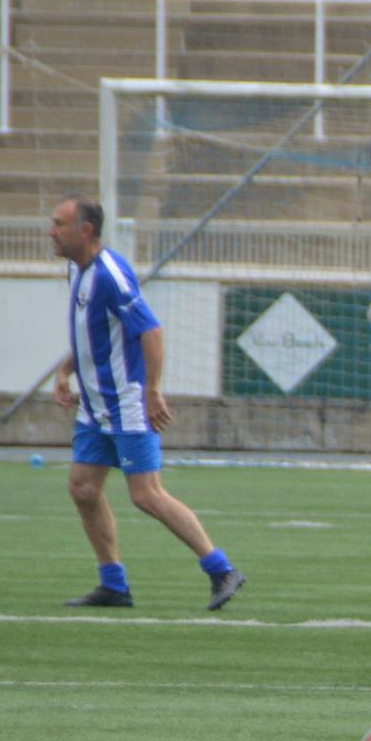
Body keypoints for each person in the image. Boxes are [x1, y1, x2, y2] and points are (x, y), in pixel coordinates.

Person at [47, 195, 245, 611]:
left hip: (126, 403)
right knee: (83, 488)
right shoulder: (76, 271)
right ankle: (114, 586)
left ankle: (222, 569)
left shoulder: (110, 275)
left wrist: (153, 389)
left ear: (85, 230)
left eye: (60, 224)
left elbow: (150, 331)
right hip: (95, 407)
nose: (52, 232)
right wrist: (65, 371)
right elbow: (92, 333)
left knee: (147, 494)